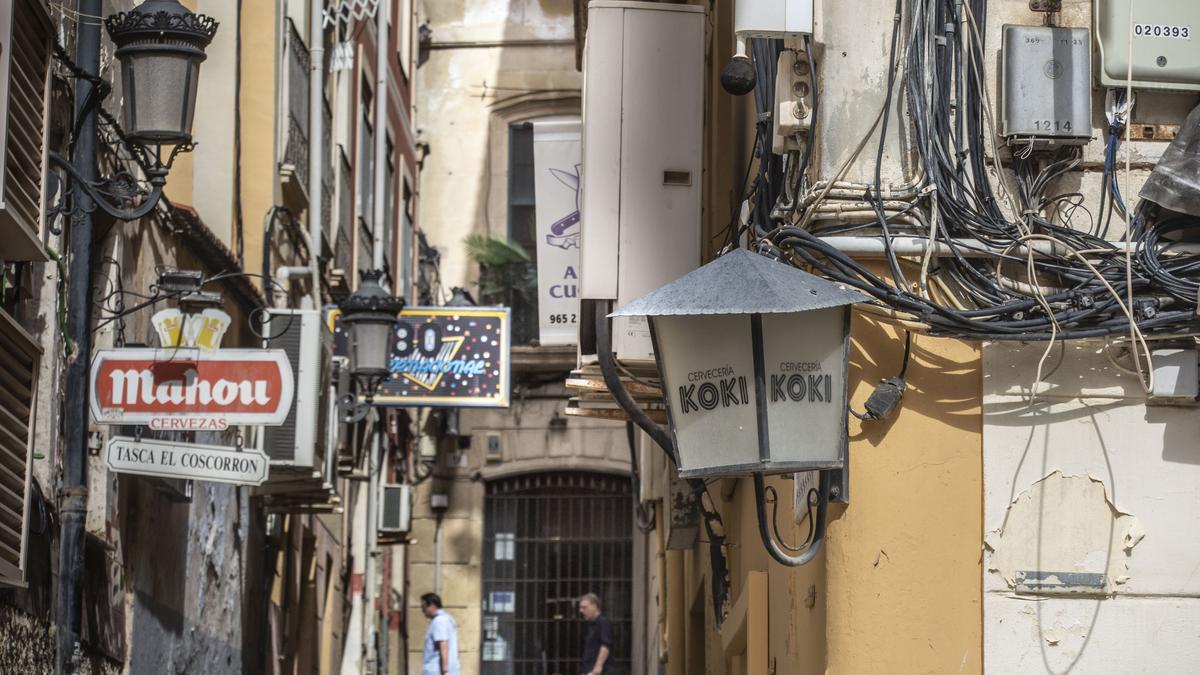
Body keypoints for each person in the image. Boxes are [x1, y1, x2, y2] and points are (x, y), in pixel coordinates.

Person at [421, 593, 460, 675]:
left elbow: (443, 645)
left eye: (424, 607)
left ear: (432, 605)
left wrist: (445, 670)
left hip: (437, 671)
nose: (422, 610)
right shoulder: (448, 619)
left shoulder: (439, 621)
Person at [578, 592, 613, 675]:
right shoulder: (590, 625)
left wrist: (598, 666)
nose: (581, 611)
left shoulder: (603, 623)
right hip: (589, 669)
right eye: (580, 608)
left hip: (598, 671)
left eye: (584, 607)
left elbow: (605, 645)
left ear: (594, 606)